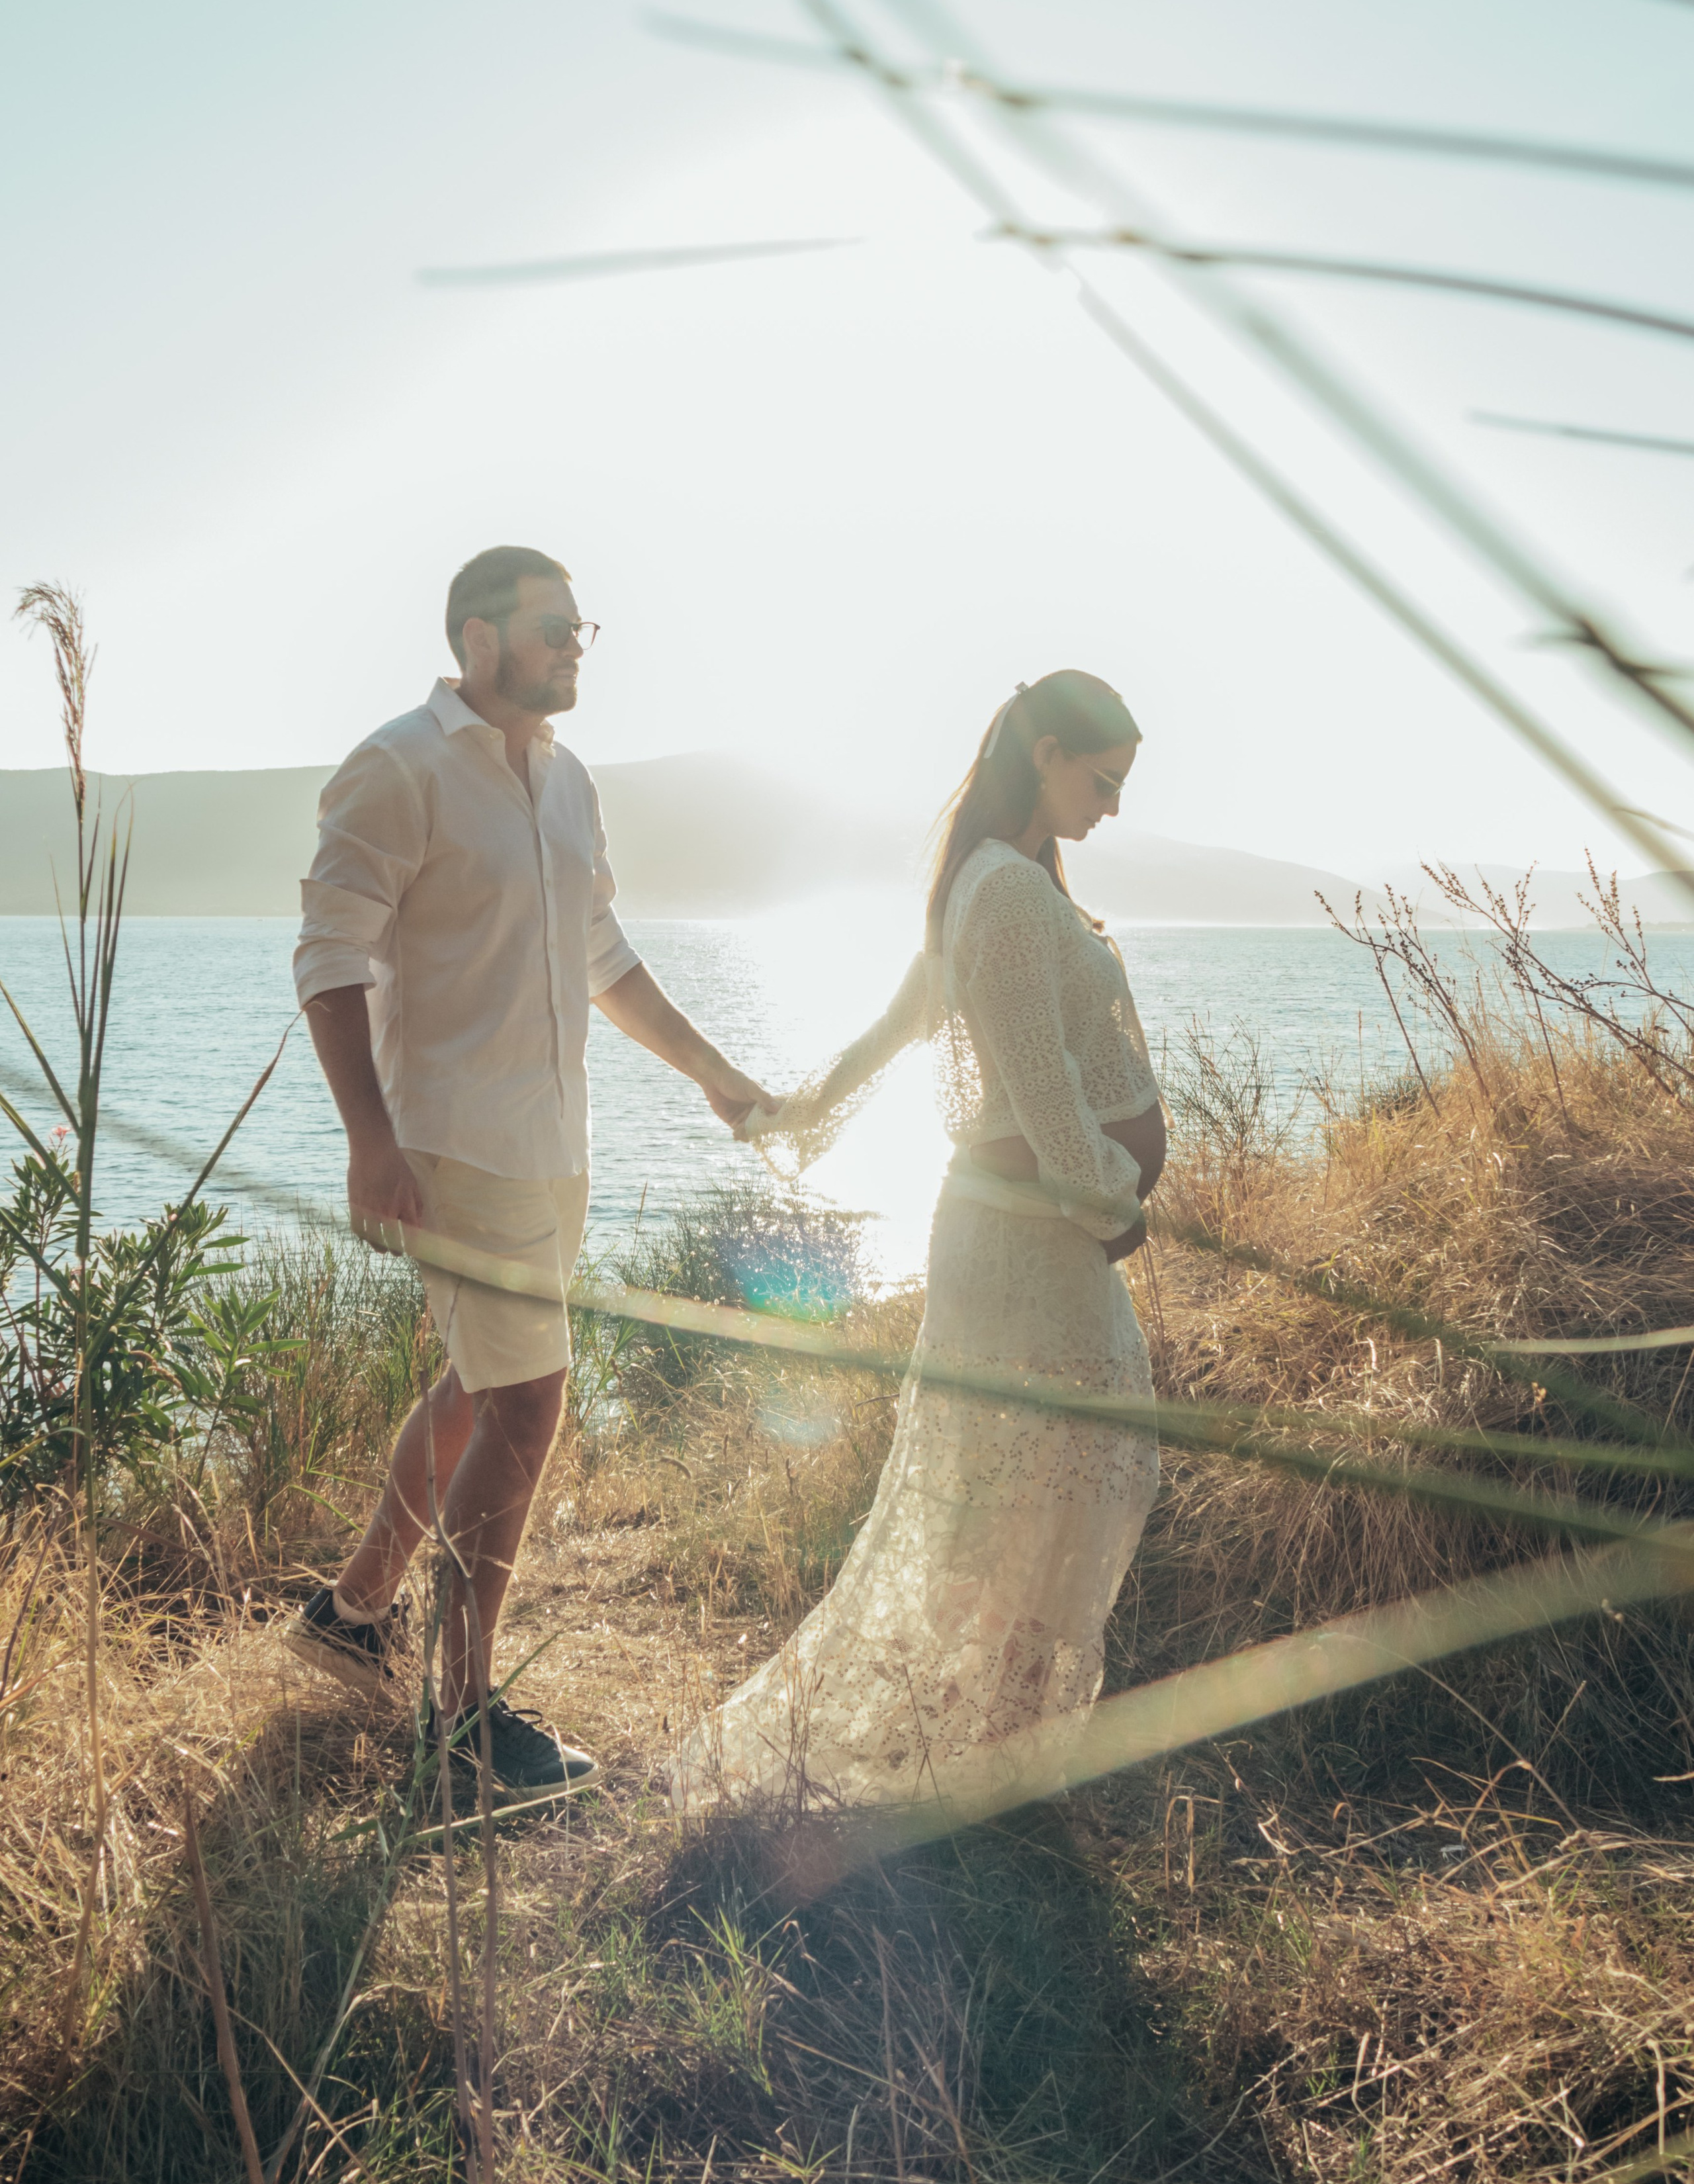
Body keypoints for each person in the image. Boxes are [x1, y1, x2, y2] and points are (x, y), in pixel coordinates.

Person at [290, 544, 772, 1802]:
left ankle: (350, 1616)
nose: (574, 645)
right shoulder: (399, 766)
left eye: (581, 628)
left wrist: (714, 1074)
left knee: (475, 1383)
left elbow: (601, 954)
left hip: (555, 1144)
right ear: (477, 638)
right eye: (553, 626)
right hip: (454, 1145)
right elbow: (329, 960)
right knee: (528, 1398)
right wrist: (370, 1138)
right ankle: (461, 1717)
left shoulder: (568, 783)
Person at [671, 671, 1165, 1815]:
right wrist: (1116, 1203)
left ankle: (1004, 1743)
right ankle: (997, 1753)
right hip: (1033, 1239)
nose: (1115, 806)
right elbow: (1042, 1105)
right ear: (1045, 754)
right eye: (1103, 780)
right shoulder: (1000, 894)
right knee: (1046, 1484)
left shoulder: (1010, 882)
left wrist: (791, 1112)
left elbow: (889, 1037)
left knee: (1051, 1481)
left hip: (1035, 1237)